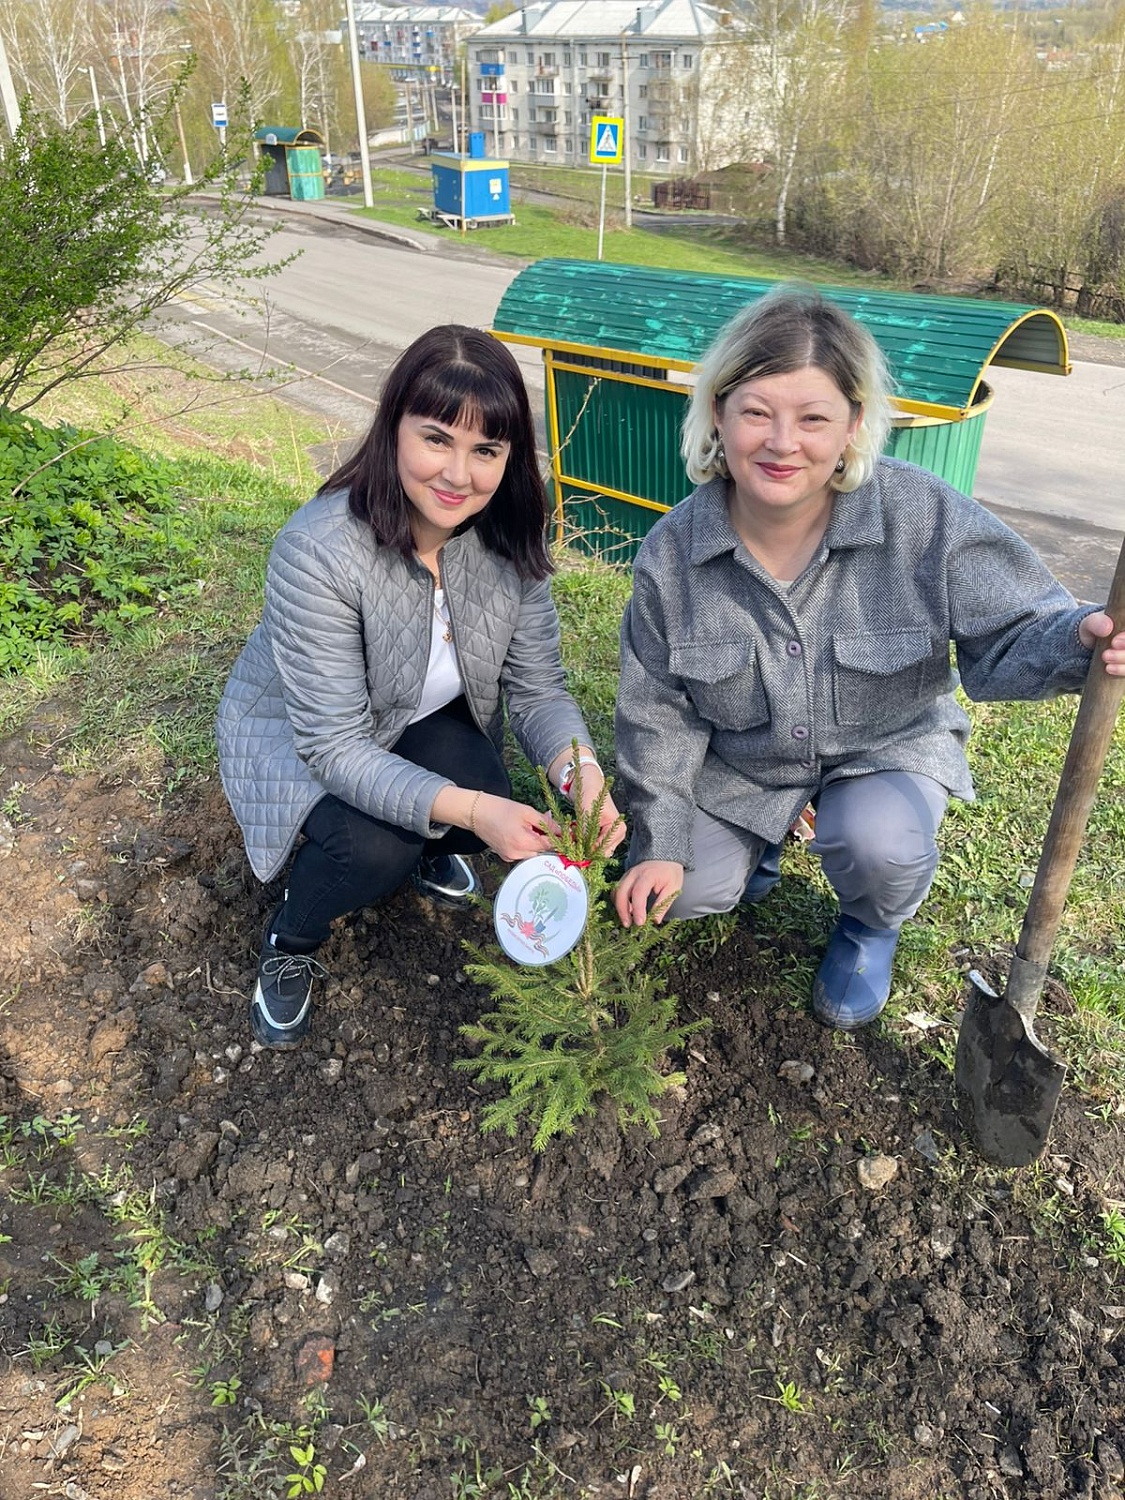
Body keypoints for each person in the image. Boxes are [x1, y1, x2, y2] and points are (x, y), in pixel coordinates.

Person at [613, 284, 1125, 1030]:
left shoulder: (921, 515)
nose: (781, 443)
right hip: (744, 765)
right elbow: (656, 711)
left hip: (886, 748)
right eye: (756, 412)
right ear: (717, 414)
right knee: (682, 890)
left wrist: (1076, 638)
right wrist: (656, 840)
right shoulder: (672, 555)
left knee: (876, 843)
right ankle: (753, 850)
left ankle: (868, 926)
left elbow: (1020, 627)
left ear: (853, 423)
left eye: (812, 418)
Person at [217, 324, 622, 1049]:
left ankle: (433, 848)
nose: (458, 474)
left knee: (487, 786)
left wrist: (579, 772)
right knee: (375, 850)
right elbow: (334, 744)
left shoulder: (504, 538)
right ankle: (291, 941)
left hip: (412, 714)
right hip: (305, 738)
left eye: (486, 450)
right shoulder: (319, 552)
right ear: (393, 427)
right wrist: (473, 810)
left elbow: (537, 692)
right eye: (436, 438)